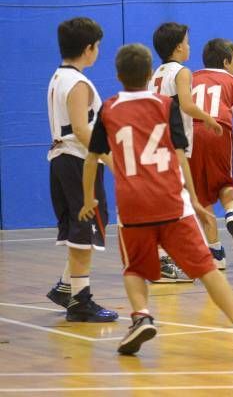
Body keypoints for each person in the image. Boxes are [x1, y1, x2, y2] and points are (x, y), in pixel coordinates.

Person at [79, 43, 233, 358]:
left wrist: (89, 197)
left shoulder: (108, 108)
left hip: (131, 203)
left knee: (133, 267)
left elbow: (92, 159)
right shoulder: (165, 105)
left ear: (118, 75)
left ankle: (141, 315)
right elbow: (180, 156)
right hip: (170, 200)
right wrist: (194, 197)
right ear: (150, 75)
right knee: (206, 268)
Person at [45, 17, 118, 323]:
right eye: (97, 46)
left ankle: (67, 287)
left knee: (80, 226)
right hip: (77, 159)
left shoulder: (58, 77)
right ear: (89, 49)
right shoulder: (77, 83)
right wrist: (113, 161)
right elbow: (80, 129)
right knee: (85, 228)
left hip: (63, 159)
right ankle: (81, 301)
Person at [149, 22, 222, 282]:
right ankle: (164, 260)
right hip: (174, 142)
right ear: (179, 46)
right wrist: (209, 119)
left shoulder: (155, 73)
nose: (189, 46)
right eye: (188, 42)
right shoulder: (182, 72)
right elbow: (188, 106)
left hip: (155, 143)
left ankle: (167, 257)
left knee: (169, 201)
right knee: (176, 202)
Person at [189, 39, 233, 270]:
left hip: (190, 132)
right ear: (226, 62)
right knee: (224, 181)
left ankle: (216, 253)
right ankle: (232, 213)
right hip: (218, 130)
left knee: (201, 193)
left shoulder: (190, 77)